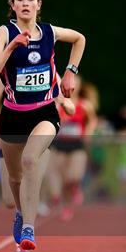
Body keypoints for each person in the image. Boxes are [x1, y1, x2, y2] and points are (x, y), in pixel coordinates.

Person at [0, 0, 85, 252]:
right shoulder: (4, 32)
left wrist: (70, 71)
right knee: (15, 178)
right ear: (13, 5)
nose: (26, 3)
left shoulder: (50, 32)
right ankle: (20, 212)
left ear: (39, 5)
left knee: (31, 159)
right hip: (13, 118)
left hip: (45, 113)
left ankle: (29, 227)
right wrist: (10, 47)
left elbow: (79, 39)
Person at [50, 76, 96, 220]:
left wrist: (88, 133)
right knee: (63, 180)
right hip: (61, 143)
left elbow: (92, 120)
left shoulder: (84, 105)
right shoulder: (59, 104)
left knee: (73, 176)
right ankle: (66, 206)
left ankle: (76, 188)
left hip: (77, 144)